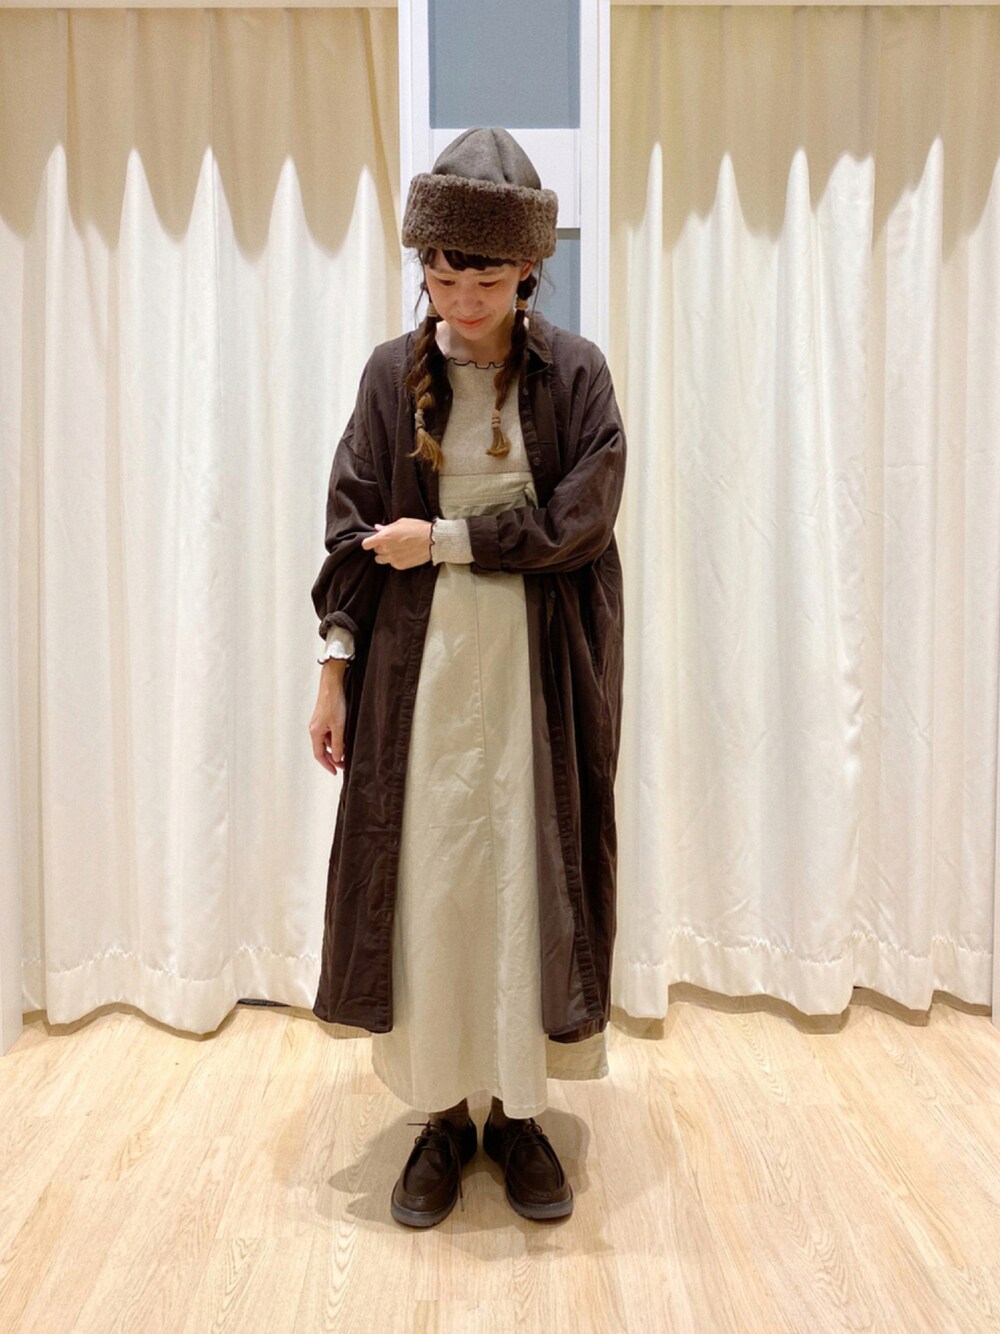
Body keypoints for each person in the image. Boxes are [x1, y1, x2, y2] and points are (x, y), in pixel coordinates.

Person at [308, 127, 627, 1229]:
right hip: (421, 682)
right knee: (432, 885)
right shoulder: (389, 375)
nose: (461, 298)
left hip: (540, 677)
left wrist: (443, 540)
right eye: (442, 276)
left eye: (484, 278)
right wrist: (334, 669)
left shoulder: (575, 374)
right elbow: (353, 530)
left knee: (526, 883)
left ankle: (519, 1112)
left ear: (529, 268)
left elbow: (581, 523)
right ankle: (444, 1114)